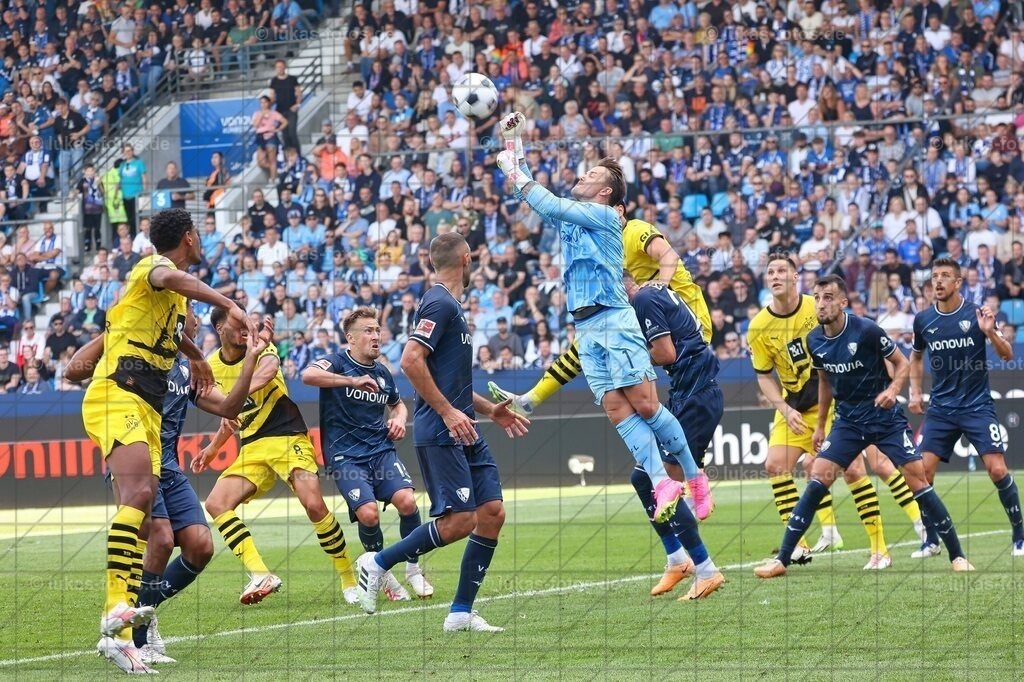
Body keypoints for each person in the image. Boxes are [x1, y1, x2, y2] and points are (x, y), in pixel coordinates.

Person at [496, 111, 712, 521]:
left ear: (606, 193)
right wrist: (514, 146)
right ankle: (662, 480)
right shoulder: (575, 217)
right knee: (616, 408)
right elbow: (539, 200)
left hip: (615, 318)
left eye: (593, 173)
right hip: (587, 326)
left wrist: (516, 172)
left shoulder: (605, 216)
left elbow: (544, 199)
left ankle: (694, 477)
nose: (584, 175)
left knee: (646, 406)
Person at [83, 208, 254, 674]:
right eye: (198, 234)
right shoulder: (152, 267)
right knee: (144, 501)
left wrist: (198, 355)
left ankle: (121, 627)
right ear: (188, 237)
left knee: (182, 533)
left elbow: (177, 330)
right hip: (119, 390)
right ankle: (121, 610)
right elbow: (170, 279)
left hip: (149, 410)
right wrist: (233, 304)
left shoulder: (175, 307)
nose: (202, 240)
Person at [66, 304, 265, 665]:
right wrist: (112, 332)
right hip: (135, 454)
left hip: (169, 465)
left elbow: (230, 405)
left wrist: (251, 358)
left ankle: (144, 609)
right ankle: (134, 638)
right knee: (160, 538)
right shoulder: (133, 349)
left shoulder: (187, 368)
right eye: (188, 314)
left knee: (201, 546)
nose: (192, 320)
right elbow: (72, 371)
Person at [355, 232, 528, 632]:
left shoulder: (451, 307)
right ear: (467, 259)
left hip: (464, 424)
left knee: (492, 513)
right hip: (442, 428)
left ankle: (460, 613)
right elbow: (411, 361)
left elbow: (451, 381)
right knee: (460, 521)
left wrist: (489, 410)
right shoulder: (438, 301)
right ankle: (377, 562)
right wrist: (450, 412)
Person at [754, 275, 975, 578]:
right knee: (818, 477)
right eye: (817, 297)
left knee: (917, 480)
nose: (821, 303)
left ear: (843, 303)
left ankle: (958, 556)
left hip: (884, 419)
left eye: (829, 297)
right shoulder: (815, 340)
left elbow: (902, 363)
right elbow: (823, 381)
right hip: (847, 422)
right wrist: (820, 426)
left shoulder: (867, 329)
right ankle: (783, 559)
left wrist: (894, 390)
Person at [192, 309, 360, 608]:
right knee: (217, 503)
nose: (246, 327)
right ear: (219, 327)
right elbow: (228, 416)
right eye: (237, 323)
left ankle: (349, 579)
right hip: (252, 447)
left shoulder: (260, 347)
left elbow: (267, 372)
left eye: (248, 322)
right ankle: (260, 574)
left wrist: (234, 395)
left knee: (314, 505)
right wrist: (213, 449)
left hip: (286, 435)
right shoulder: (212, 366)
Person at [747, 253, 900, 566]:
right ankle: (799, 546)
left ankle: (879, 548)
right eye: (770, 271)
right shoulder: (758, 326)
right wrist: (782, 408)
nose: (775, 276)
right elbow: (763, 376)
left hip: (830, 402)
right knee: (775, 465)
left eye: (781, 271)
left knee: (854, 470)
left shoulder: (817, 306)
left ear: (795, 277)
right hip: (793, 406)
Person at [301, 307, 434, 600]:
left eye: (377, 330)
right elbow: (308, 375)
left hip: (380, 451)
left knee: (407, 501)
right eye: (368, 331)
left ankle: (413, 569)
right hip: (345, 455)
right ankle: (381, 574)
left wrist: (399, 419)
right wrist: (351, 381)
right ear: (350, 338)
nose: (376, 336)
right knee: (368, 514)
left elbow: (398, 404)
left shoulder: (383, 372)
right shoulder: (336, 362)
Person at [909, 258, 1024, 557]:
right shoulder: (923, 320)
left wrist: (989, 333)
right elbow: (916, 357)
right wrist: (915, 392)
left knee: (997, 469)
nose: (938, 281)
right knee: (922, 474)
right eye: (935, 276)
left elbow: (1007, 353)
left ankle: (1020, 535)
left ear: (959, 282)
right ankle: (931, 540)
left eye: (946, 276)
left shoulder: (977, 314)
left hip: (976, 406)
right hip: (941, 409)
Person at [624, 273, 724, 600]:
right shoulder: (654, 293)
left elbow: (665, 353)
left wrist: (632, 352)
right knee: (644, 478)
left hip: (696, 396)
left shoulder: (642, 300)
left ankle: (705, 569)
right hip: (690, 393)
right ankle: (677, 559)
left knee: (659, 481)